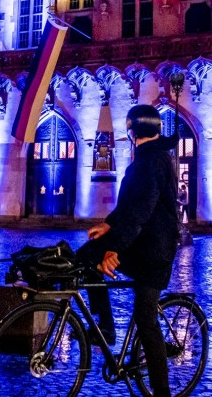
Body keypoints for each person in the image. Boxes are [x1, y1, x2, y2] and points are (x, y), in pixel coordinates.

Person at [77, 104, 179, 397]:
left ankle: (161, 391)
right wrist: (109, 226)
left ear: (132, 131)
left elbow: (141, 213)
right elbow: (129, 207)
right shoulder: (147, 159)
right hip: (140, 244)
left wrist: (115, 250)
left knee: (145, 318)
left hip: (154, 253)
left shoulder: (152, 162)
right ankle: (106, 326)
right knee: (86, 256)